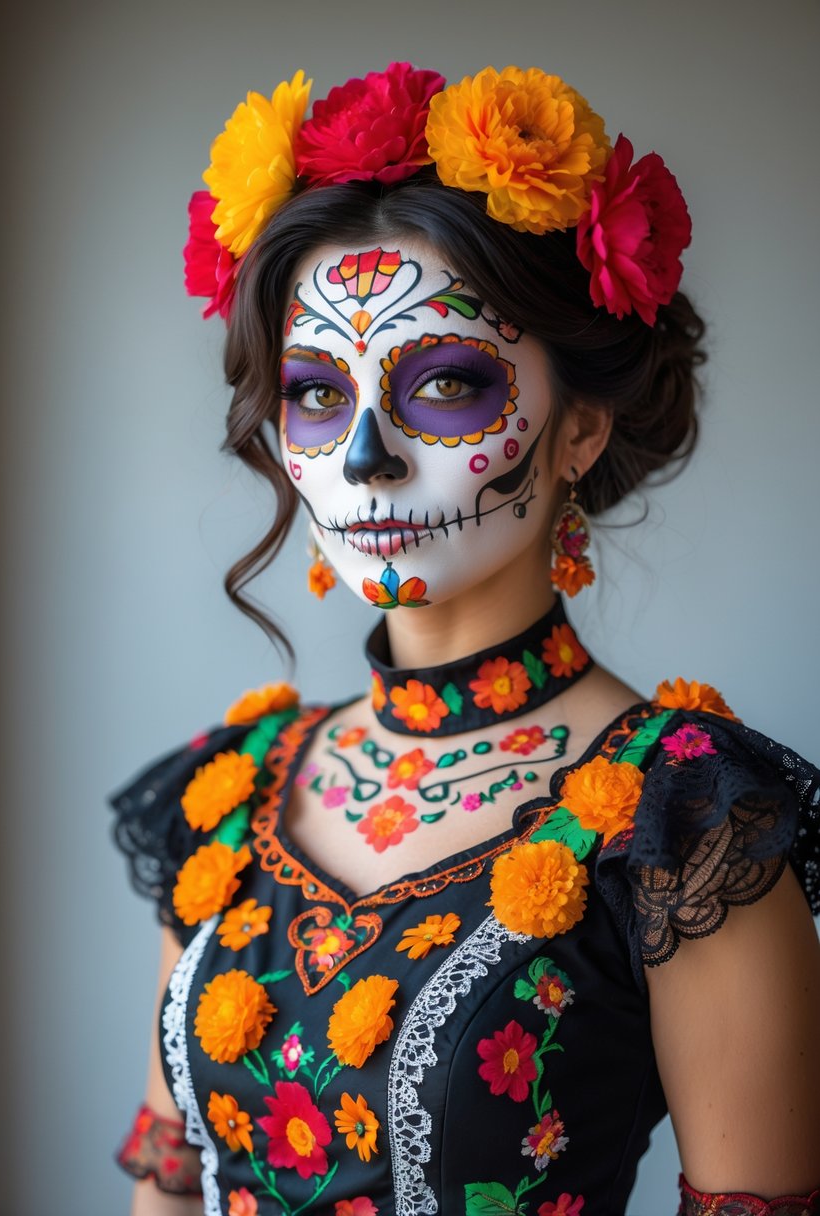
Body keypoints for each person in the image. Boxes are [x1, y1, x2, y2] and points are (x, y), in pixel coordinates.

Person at [111, 63, 820, 1216]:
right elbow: (169, 1191)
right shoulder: (228, 793)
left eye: (445, 383)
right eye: (316, 395)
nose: (364, 460)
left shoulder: (683, 824)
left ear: (580, 426)